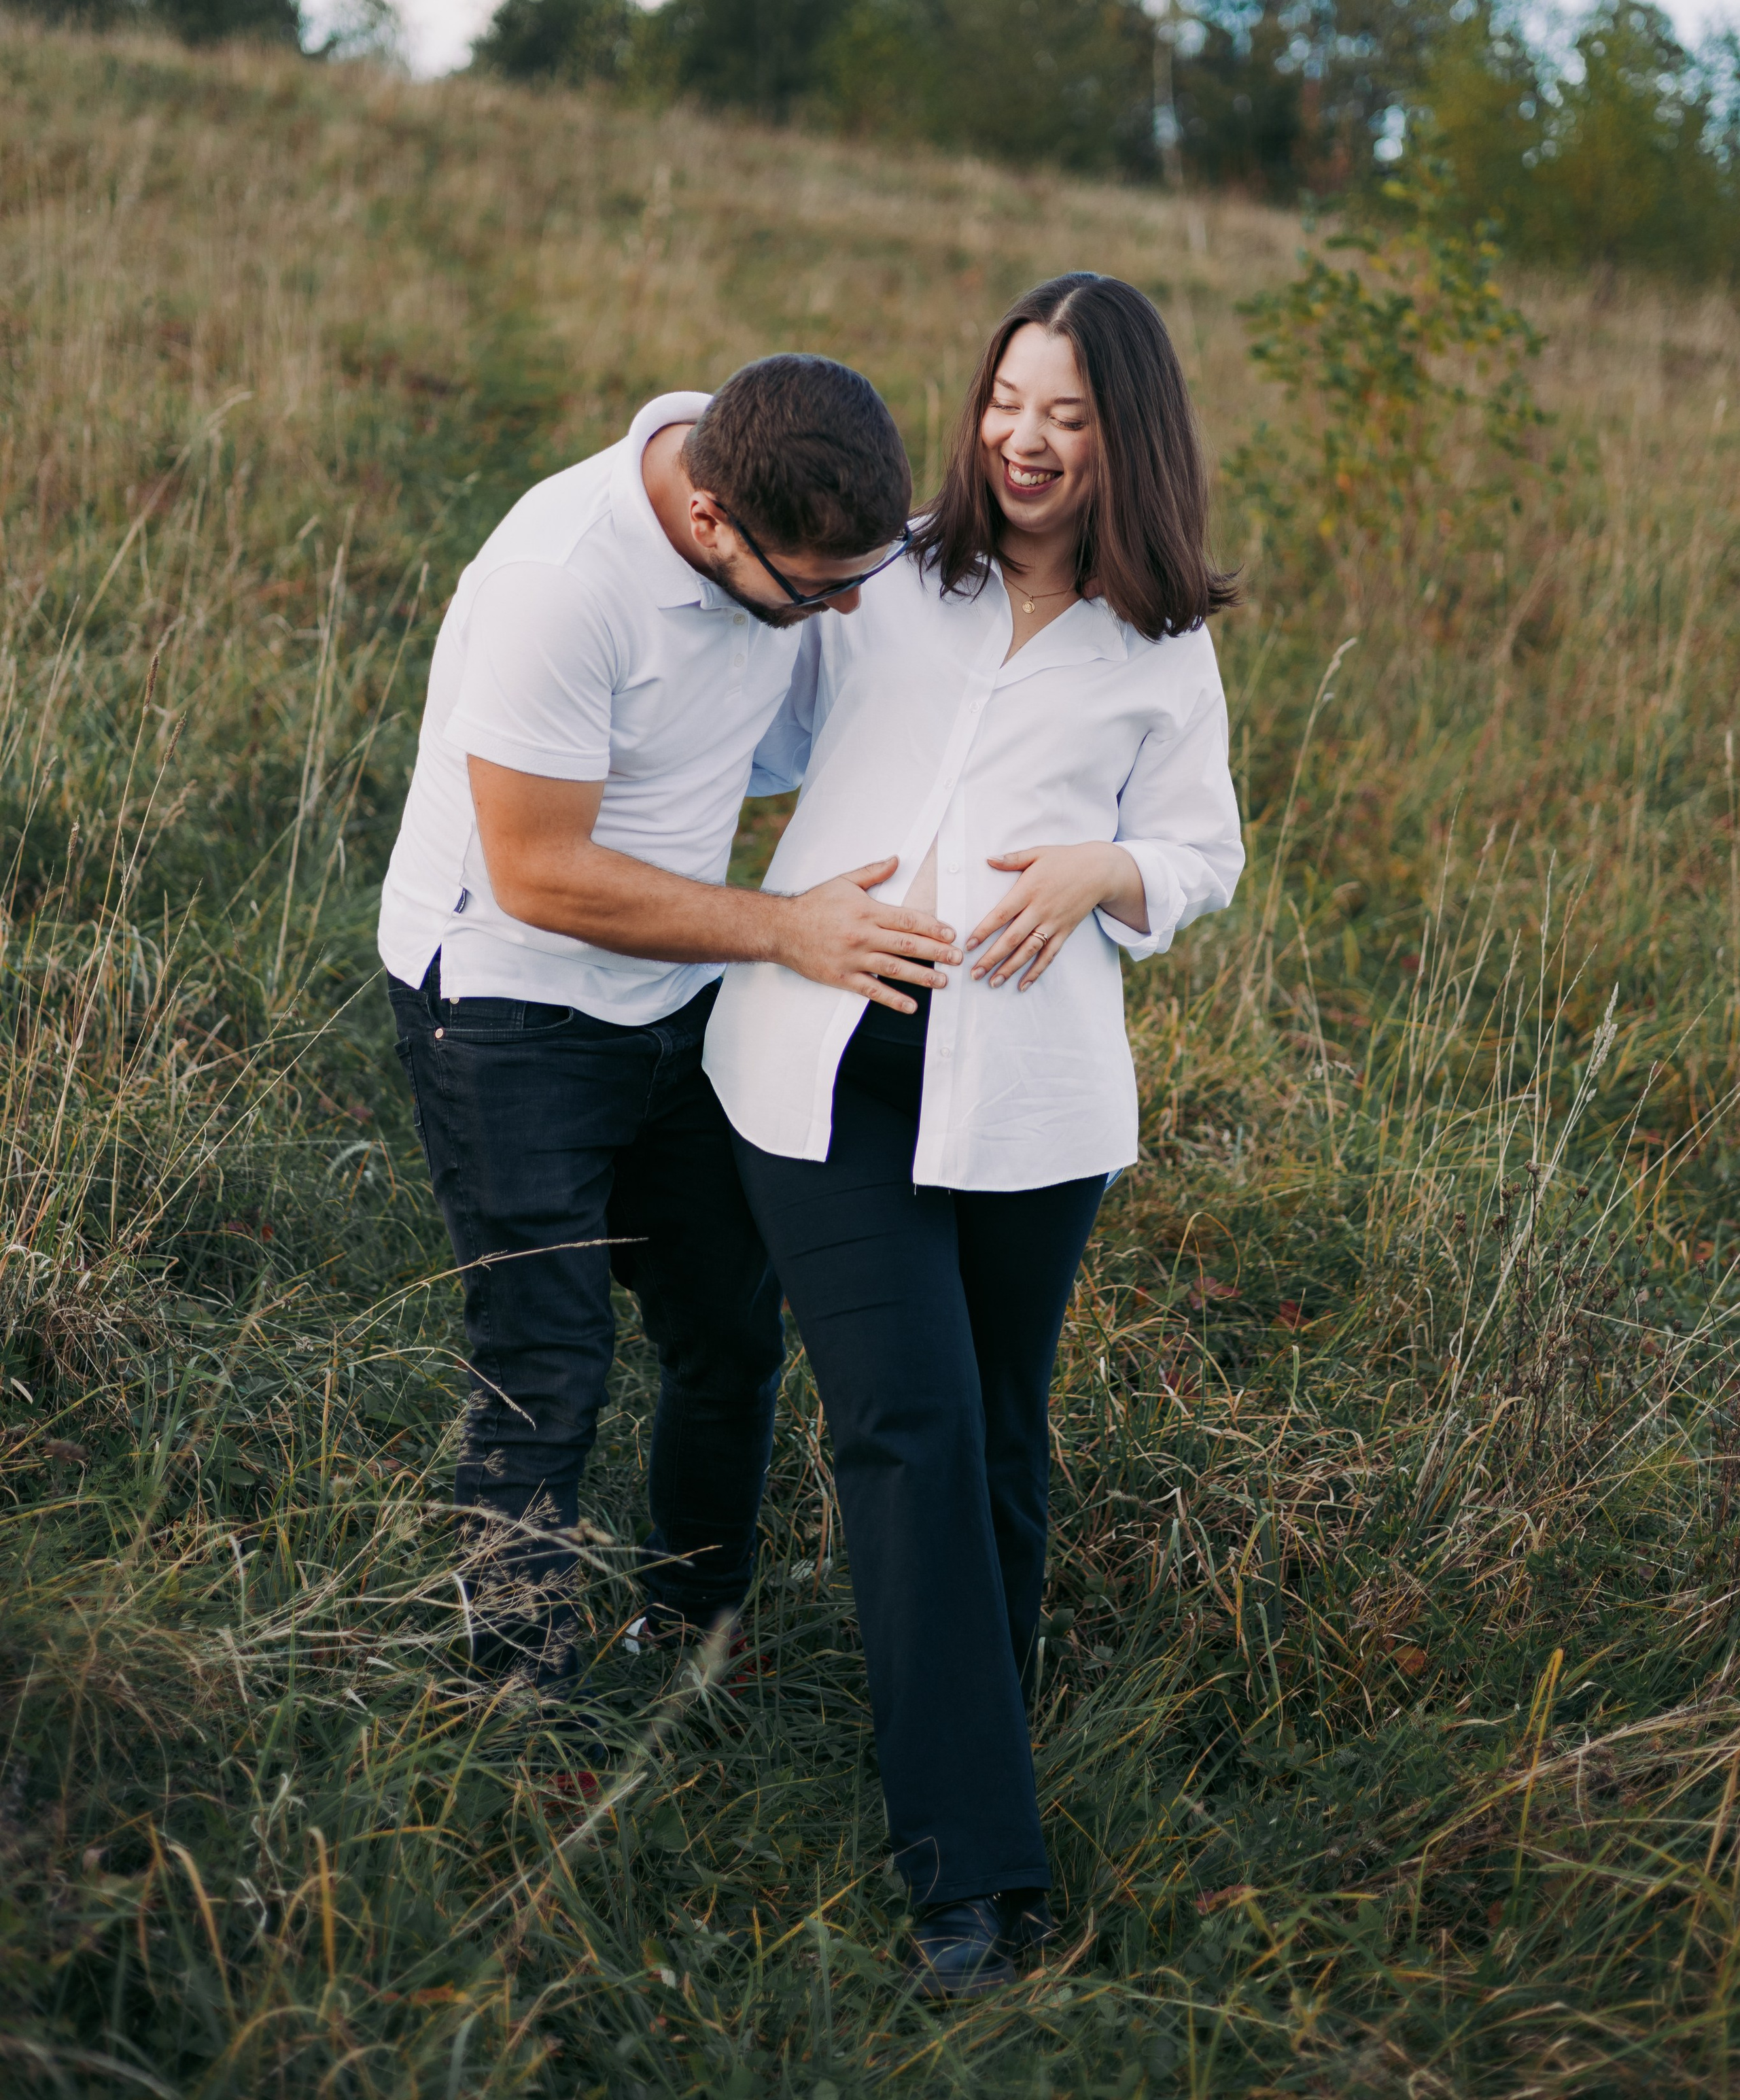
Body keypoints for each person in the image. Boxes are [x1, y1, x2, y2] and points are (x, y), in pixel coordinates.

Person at [705, 275, 1245, 1994]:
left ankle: (973, 1733)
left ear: (1126, 439)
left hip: (1028, 1093)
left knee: (1002, 1430)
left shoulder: (1159, 643)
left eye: (1070, 416)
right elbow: (745, 697)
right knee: (914, 1422)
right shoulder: (891, 574)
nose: (1026, 438)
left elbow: (1201, 854)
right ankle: (973, 1877)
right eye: (1010, 400)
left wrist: (1109, 869)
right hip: (825, 1055)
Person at [378, 356, 962, 1691]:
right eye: (819, 591)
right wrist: (784, 927)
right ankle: (514, 1704)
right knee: (549, 1357)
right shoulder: (560, 585)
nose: (848, 608)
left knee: (729, 1326)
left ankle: (691, 1625)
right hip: (507, 1005)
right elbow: (539, 871)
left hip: (672, 994)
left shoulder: (784, 478)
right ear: (708, 524)